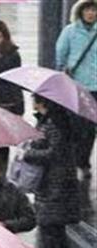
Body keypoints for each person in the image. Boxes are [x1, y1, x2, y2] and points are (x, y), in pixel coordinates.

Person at [23, 95, 82, 248]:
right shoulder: (51, 120)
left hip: (55, 186)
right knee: (56, 230)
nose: (33, 102)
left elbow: (53, 153)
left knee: (48, 229)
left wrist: (28, 154)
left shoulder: (55, 123)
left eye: (35, 100)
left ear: (43, 102)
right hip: (54, 184)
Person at [56, 0, 97, 177]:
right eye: (88, 9)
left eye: (94, 10)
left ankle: (83, 161)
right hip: (76, 86)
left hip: (95, 86)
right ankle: (76, 161)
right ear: (81, 11)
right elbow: (60, 55)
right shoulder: (70, 31)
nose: (91, 13)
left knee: (90, 127)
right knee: (77, 126)